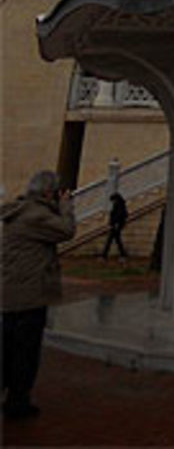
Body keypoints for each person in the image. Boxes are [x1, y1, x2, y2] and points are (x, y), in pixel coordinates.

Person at [1, 169, 76, 420]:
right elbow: (66, 231)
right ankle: (18, 401)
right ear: (47, 192)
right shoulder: (35, 216)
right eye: (55, 192)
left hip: (12, 291)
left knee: (9, 347)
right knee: (25, 351)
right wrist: (66, 207)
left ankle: (11, 394)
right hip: (30, 294)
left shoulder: (22, 211)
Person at [101, 191, 129, 260]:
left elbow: (119, 216)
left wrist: (115, 224)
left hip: (117, 225)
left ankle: (104, 255)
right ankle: (122, 254)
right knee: (117, 240)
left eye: (113, 200)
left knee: (111, 240)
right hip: (115, 225)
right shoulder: (117, 205)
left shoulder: (120, 206)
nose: (113, 202)